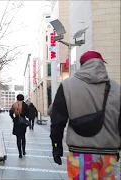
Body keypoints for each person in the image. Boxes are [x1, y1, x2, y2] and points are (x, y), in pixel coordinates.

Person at [50, 50, 121, 179]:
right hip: (108, 154)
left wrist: (56, 148)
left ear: (82, 64)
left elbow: (57, 122)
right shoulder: (117, 88)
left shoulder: (67, 86)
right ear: (102, 64)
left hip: (79, 154)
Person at [9, 94, 29, 158]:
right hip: (23, 122)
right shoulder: (25, 105)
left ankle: (19, 153)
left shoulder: (14, 105)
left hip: (16, 122)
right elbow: (27, 114)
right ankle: (23, 150)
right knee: (23, 137)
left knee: (18, 138)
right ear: (23, 98)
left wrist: (14, 118)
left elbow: (10, 113)